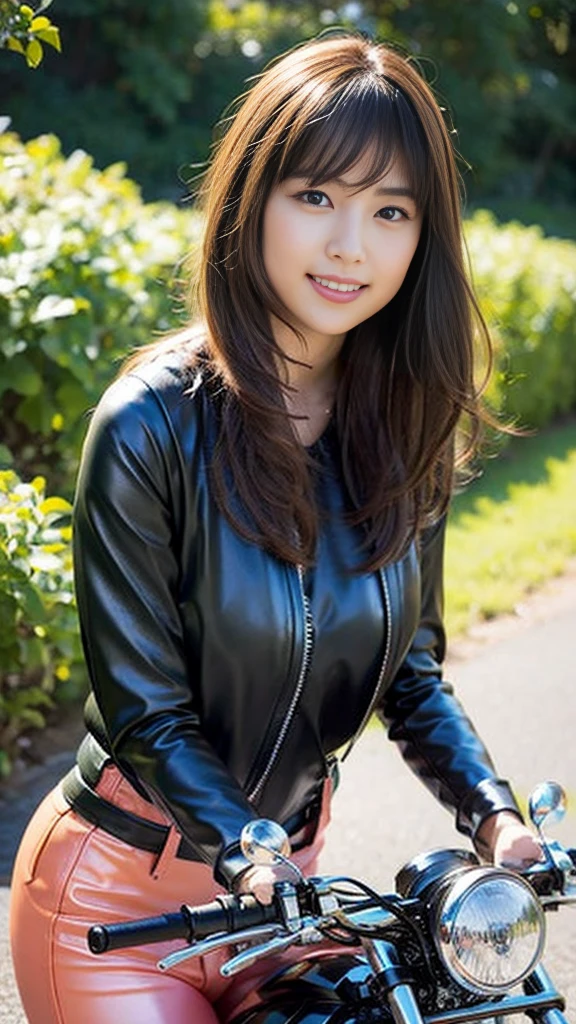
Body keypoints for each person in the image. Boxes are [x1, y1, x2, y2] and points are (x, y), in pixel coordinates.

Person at [10, 30, 543, 1024]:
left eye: (391, 211)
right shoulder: (149, 422)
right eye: (316, 197)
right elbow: (146, 709)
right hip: (120, 906)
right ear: (253, 198)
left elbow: (411, 671)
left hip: (287, 901)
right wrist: (245, 843)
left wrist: (495, 815)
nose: (351, 246)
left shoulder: (403, 427)